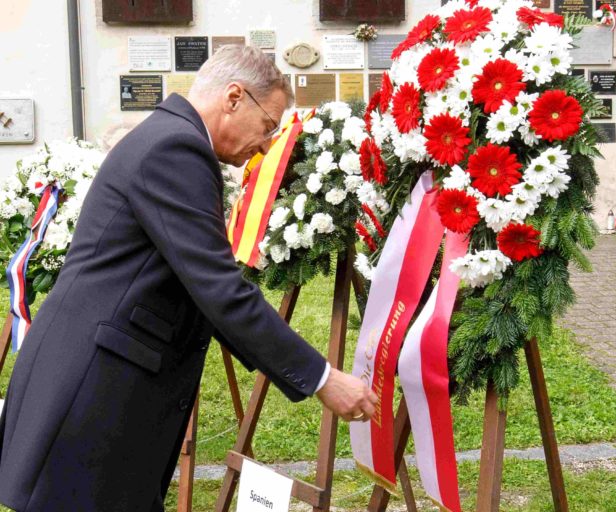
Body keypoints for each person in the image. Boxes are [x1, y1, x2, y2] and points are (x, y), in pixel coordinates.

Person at [0, 45, 377, 512]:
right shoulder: (176, 149)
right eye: (267, 127)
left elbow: (201, 290)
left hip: (96, 384)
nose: (265, 145)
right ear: (234, 97)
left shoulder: (169, 138)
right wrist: (322, 378)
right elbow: (219, 290)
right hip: (93, 392)